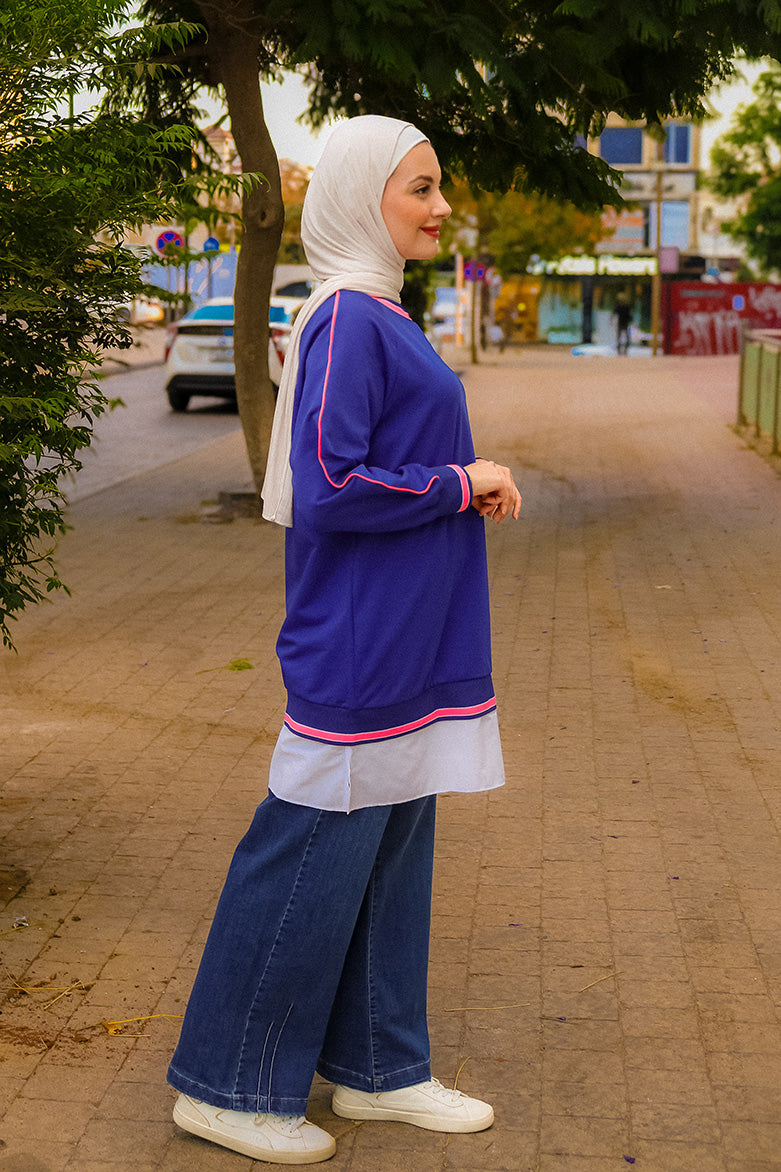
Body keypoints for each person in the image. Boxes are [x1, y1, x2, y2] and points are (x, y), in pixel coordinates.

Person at [167, 114, 522, 1166]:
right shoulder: (351, 320)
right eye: (420, 187)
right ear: (365, 195)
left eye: (438, 185)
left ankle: (379, 1066)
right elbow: (331, 487)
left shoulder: (379, 312)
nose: (440, 204)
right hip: (363, 646)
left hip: (408, 638)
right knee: (308, 855)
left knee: (389, 855)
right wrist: (464, 480)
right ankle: (228, 1082)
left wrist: (456, 483)